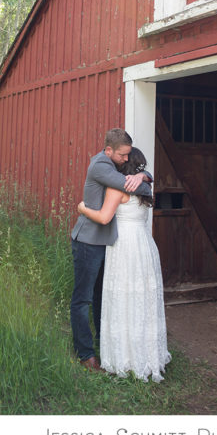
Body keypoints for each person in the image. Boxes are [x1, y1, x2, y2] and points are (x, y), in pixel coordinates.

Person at [77, 147, 170, 381]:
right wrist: (144, 175)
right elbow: (147, 177)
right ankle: (145, 356)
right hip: (144, 246)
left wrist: (83, 208)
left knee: (122, 299)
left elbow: (104, 217)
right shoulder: (145, 189)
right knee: (142, 300)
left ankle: (123, 356)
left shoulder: (117, 188)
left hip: (124, 247)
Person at [69, 128, 151, 371]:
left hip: (106, 243)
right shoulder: (100, 166)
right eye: (123, 155)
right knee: (82, 299)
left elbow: (136, 180)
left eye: (128, 156)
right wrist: (143, 182)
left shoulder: (114, 164)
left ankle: (106, 348)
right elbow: (134, 188)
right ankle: (86, 354)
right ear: (108, 151)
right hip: (88, 241)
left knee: (101, 297)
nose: (126, 159)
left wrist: (144, 174)